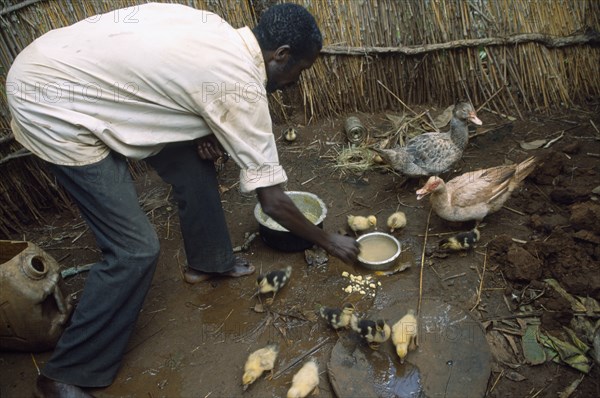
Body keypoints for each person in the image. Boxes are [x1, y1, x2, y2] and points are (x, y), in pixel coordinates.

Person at [6, 2, 359, 396]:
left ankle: (209, 261)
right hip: (50, 100)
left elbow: (169, 78)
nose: (296, 81)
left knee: (193, 161)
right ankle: (65, 373)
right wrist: (330, 242)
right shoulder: (239, 85)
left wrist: (200, 128)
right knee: (134, 250)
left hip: (66, 64)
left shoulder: (218, 30)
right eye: (300, 71)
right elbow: (273, 201)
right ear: (282, 56)